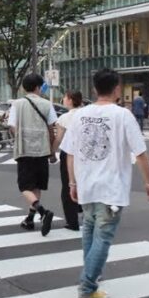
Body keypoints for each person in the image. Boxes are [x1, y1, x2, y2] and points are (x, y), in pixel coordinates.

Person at [64, 69, 149, 298]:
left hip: (86, 184)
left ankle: (92, 274)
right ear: (117, 89)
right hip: (111, 188)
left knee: (89, 232)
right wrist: (148, 182)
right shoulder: (122, 116)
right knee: (102, 236)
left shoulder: (79, 115)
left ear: (95, 89)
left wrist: (72, 182)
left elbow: (70, 154)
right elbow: (141, 153)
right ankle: (87, 286)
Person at [8, 73, 59, 235]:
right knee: (36, 185)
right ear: (38, 87)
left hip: (25, 150)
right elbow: (52, 128)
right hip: (42, 150)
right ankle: (30, 219)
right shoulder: (46, 104)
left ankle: (42, 211)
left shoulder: (17, 104)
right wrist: (52, 150)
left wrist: (20, 137)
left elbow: (12, 126)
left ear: (24, 87)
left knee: (24, 186)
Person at [52, 91, 86, 231]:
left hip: (68, 153)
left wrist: (52, 152)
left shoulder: (65, 118)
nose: (63, 100)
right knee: (85, 182)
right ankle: (87, 213)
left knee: (68, 185)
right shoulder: (87, 114)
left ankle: (72, 221)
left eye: (64, 98)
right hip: (86, 153)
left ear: (70, 100)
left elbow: (59, 139)